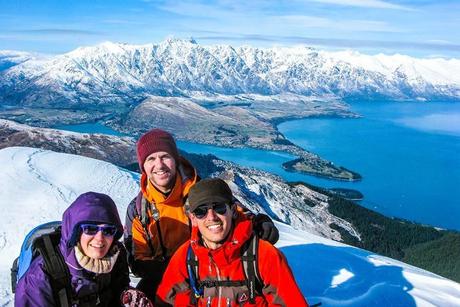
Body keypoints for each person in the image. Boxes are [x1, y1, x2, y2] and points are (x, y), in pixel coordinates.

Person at [124, 128, 280, 301]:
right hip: (165, 275)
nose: (159, 165)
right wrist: (179, 268)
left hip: (213, 271)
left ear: (175, 160)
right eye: (151, 159)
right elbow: (137, 261)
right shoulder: (138, 209)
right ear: (143, 166)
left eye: (165, 156)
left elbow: (233, 211)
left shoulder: (201, 193)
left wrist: (259, 223)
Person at [156, 178, 308, 306]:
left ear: (233, 211)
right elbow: (165, 302)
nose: (211, 217)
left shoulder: (264, 256)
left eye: (219, 208)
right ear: (193, 219)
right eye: (201, 211)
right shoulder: (185, 258)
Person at [15, 191, 153, 307]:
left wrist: (125, 296)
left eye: (108, 230)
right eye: (90, 229)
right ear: (75, 233)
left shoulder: (116, 257)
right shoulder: (39, 278)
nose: (99, 238)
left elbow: (117, 288)